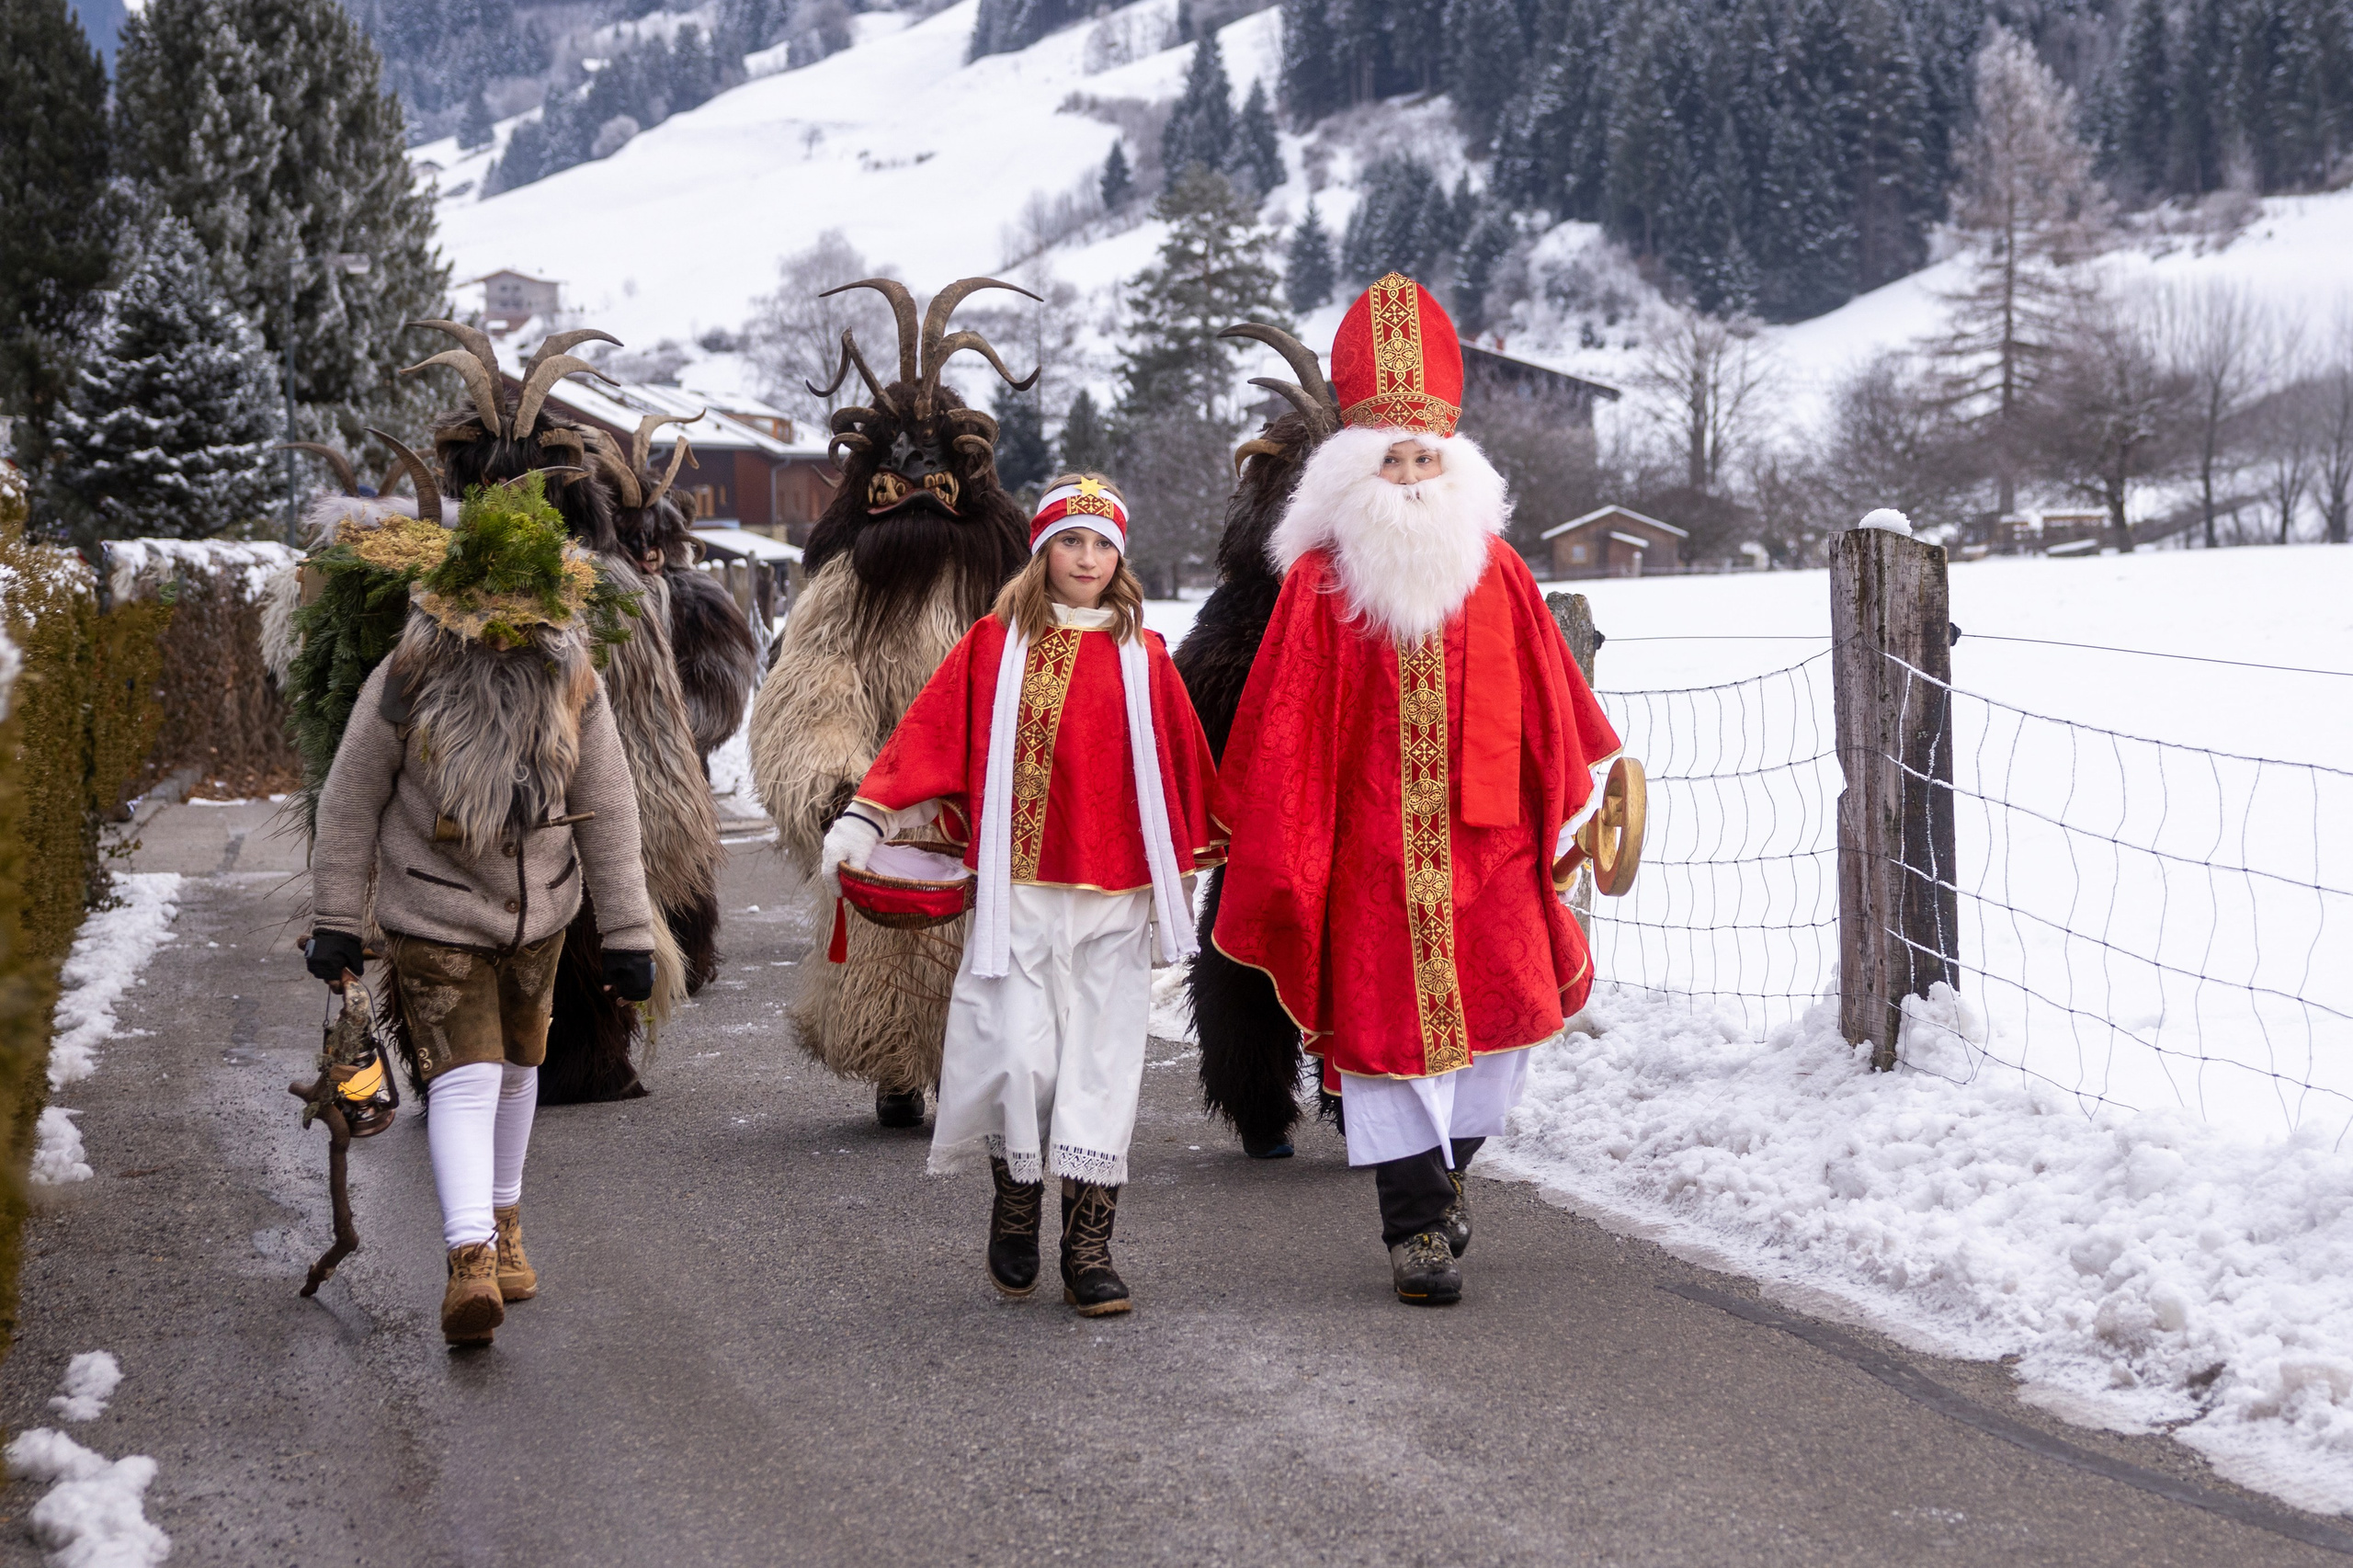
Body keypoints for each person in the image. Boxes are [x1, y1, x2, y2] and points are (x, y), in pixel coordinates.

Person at [1212, 274, 1622, 1305]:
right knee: (1387, 1045)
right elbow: (1287, 724)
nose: (1406, 474)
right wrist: (1291, 842)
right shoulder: (1317, 584)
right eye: (1388, 459)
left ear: (1455, 465)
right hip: (1370, 858)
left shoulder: (1503, 573)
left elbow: (1552, 702)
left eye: (1423, 458)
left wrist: (1581, 796)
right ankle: (1413, 1232)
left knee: (1503, 1027)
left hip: (1489, 849)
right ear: (1352, 474)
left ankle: (1443, 1182)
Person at [822, 475, 1224, 1315]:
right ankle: (1016, 1195)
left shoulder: (1144, 657)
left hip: (1115, 898)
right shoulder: (993, 647)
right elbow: (929, 734)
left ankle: (1089, 1247)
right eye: (1071, 542)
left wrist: (1204, 852)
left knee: (1101, 1065)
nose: (1088, 558)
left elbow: (1186, 762)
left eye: (1103, 544)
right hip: (1019, 895)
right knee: (1017, 1057)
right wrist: (868, 815)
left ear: (1121, 558)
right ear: (1042, 552)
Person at [306, 481, 660, 1347]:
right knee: (463, 1077)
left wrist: (628, 932)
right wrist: (336, 918)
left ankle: (504, 1225)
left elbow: (608, 803)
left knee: (517, 1070)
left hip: (541, 917)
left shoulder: (576, 675)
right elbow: (351, 798)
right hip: (434, 915)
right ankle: (467, 1256)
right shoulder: (408, 675)